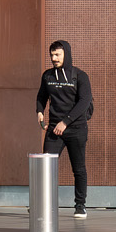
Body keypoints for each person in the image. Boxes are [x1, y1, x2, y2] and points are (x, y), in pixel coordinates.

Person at [36, 40, 93, 218]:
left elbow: (84, 102)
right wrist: (39, 112)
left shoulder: (80, 76)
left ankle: (80, 205)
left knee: (78, 168)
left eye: (57, 55)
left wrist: (65, 122)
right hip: (54, 130)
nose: (54, 58)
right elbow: (41, 96)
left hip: (76, 128)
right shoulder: (47, 76)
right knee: (46, 166)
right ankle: (43, 204)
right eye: (52, 55)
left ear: (66, 54)